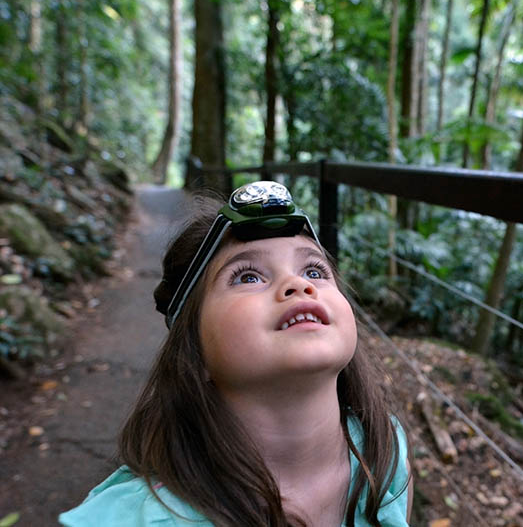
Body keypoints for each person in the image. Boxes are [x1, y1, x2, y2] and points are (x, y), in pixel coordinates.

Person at [60, 181, 412, 526]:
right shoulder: (128, 519)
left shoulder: (384, 453)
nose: (298, 284)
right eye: (247, 277)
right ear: (194, 351)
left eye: (314, 270)